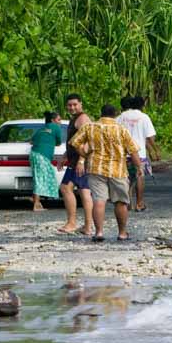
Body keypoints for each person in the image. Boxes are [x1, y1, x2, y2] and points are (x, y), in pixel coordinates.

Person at [69, 103, 143, 242]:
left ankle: (99, 232)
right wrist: (139, 167)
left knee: (99, 200)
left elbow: (74, 142)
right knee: (120, 201)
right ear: (115, 114)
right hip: (118, 170)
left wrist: (84, 154)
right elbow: (133, 151)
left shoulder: (90, 127)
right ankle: (122, 233)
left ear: (101, 113)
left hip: (95, 169)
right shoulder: (121, 129)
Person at [117, 96, 160, 212]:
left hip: (123, 155)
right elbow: (149, 137)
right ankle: (139, 203)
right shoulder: (144, 117)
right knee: (139, 176)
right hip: (139, 154)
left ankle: (128, 203)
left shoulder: (120, 118)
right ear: (142, 105)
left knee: (127, 179)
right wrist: (155, 150)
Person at [59, 95, 94, 235]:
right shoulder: (75, 119)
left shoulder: (83, 119)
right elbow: (73, 142)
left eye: (75, 104)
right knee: (83, 190)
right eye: (69, 105)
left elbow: (87, 140)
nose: (72, 107)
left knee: (66, 188)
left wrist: (81, 160)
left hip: (80, 162)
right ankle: (87, 226)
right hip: (75, 160)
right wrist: (65, 156)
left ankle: (72, 223)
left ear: (81, 104)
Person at [29, 111, 63, 212]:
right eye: (59, 119)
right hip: (42, 155)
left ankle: (35, 199)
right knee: (42, 177)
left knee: (38, 177)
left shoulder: (41, 129)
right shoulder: (56, 127)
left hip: (34, 154)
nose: (60, 122)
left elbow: (31, 141)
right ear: (53, 120)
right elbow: (59, 142)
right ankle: (36, 204)